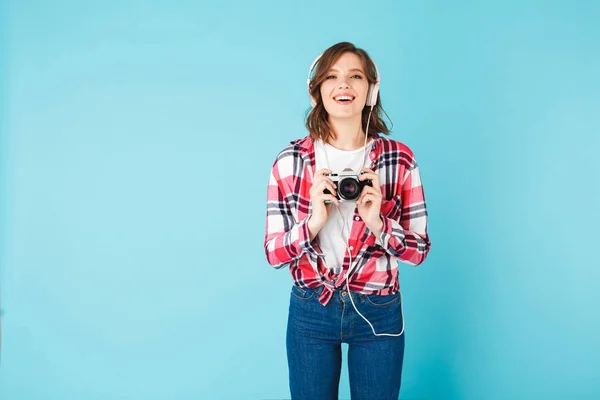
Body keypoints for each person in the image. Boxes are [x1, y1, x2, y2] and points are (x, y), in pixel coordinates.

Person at [263, 41, 431, 400]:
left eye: (356, 76)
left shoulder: (399, 159)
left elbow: (419, 251)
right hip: (312, 308)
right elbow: (273, 254)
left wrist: (378, 223)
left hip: (379, 309)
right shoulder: (289, 161)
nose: (344, 85)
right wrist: (312, 223)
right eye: (333, 77)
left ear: (371, 91)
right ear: (316, 91)